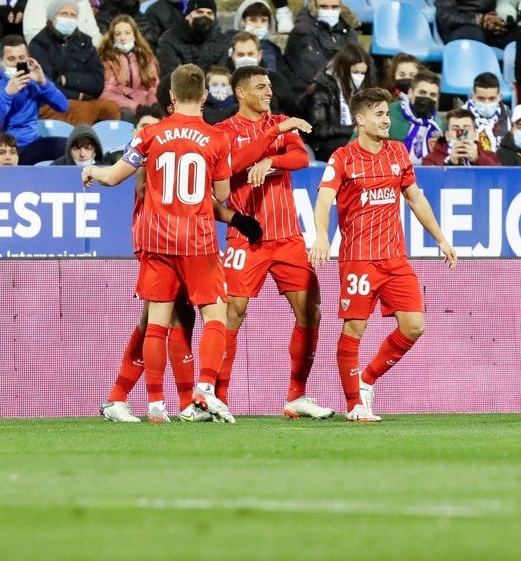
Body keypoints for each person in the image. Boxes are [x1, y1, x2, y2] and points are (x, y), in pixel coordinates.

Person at [82, 64, 244, 423]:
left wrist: (92, 171)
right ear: (203, 96)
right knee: (214, 314)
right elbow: (222, 194)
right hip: (197, 238)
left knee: (156, 322)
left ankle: (156, 406)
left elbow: (112, 177)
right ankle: (204, 391)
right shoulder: (218, 139)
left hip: (156, 238)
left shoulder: (149, 135)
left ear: (170, 97)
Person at [310, 87, 456, 422]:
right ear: (360, 120)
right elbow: (324, 200)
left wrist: (441, 239)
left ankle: (366, 379)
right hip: (358, 258)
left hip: (395, 259)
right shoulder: (343, 158)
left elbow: (416, 199)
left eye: (387, 114)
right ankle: (354, 405)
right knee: (354, 330)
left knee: (414, 327)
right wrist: (321, 236)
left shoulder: (398, 153)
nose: (386, 120)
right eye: (378, 114)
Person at [213, 65, 333, 420]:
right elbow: (233, 166)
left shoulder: (280, 121)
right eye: (261, 87)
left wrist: (271, 159)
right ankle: (218, 398)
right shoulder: (224, 132)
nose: (269, 92)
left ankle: (297, 396)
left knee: (310, 313)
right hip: (246, 237)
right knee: (232, 314)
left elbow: (300, 157)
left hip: (288, 238)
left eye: (270, 86)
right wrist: (272, 138)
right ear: (241, 93)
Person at [99, 103, 203, 423]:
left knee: (174, 320)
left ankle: (121, 399)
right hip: (156, 244)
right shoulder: (144, 162)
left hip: (177, 244)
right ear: (135, 134)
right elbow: (139, 187)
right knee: (158, 321)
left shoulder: (159, 155)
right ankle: (149, 401)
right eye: (144, 127)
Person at [28, 0, 118, 123]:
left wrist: (67, 79)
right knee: (82, 110)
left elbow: (97, 81)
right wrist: (77, 95)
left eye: (73, 15)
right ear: (52, 16)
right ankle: (82, 143)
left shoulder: (85, 41)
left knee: (111, 108)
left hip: (85, 100)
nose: (69, 18)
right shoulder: (40, 43)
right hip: (50, 103)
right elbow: (45, 83)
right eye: (64, 14)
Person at [0, 34, 69, 163]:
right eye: (11, 59)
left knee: (70, 147)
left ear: (28, 59)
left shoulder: (34, 79)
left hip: (33, 143)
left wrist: (43, 83)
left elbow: (63, 106)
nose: (17, 63)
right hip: (6, 148)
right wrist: (7, 94)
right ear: (1, 61)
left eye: (21, 58)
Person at [284, 0, 360, 96]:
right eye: (323, 7)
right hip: (308, 94)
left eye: (334, 7)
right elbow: (310, 69)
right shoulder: (301, 32)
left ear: (341, 8)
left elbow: (358, 62)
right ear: (314, 8)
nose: (329, 11)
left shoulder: (349, 32)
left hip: (343, 92)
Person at [305, 42, 372, 160]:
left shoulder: (363, 89)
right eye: (355, 72)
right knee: (347, 145)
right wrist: (351, 129)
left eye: (363, 73)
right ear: (342, 69)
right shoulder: (322, 89)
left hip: (353, 138)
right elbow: (318, 128)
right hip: (323, 144)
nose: (359, 77)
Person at [156, 0, 231, 76]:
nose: (204, 16)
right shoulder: (169, 40)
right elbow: (172, 74)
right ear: (188, 15)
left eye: (209, 13)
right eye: (199, 12)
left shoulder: (221, 41)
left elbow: (220, 74)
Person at [98, 14, 158, 120]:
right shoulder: (106, 58)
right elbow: (106, 91)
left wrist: (153, 104)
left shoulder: (145, 56)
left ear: (134, 35)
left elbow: (153, 87)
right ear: (112, 37)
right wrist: (136, 107)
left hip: (145, 103)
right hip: (121, 106)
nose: (123, 38)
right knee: (127, 114)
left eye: (127, 33)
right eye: (118, 34)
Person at [421, 108, 502, 165]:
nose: (461, 133)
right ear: (447, 135)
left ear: (475, 134)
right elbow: (432, 184)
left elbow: (499, 179)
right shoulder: (431, 159)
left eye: (466, 129)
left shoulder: (491, 157)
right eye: (455, 128)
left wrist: (478, 158)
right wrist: (450, 163)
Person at [464, 72, 512, 152]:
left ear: (500, 97)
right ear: (472, 96)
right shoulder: (460, 118)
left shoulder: (510, 118)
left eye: (492, 98)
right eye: (481, 98)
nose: (486, 103)